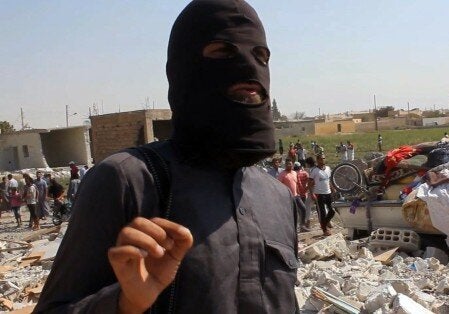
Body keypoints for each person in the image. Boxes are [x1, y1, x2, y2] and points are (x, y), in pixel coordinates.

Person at [35, 1, 297, 312]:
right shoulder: (126, 180)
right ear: (184, 69)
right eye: (222, 51)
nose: (250, 67)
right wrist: (125, 303)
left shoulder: (277, 197)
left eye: (261, 56)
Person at [278, 160, 310, 232]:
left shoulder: (294, 173)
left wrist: (299, 192)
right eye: (287, 164)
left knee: (303, 208)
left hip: (296, 195)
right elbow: (278, 185)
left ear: (292, 165)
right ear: (285, 165)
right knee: (292, 213)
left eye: (290, 164)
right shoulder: (282, 174)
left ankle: (302, 225)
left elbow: (297, 184)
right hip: (288, 197)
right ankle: (293, 229)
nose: (289, 165)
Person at [309, 154, 336, 236]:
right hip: (319, 194)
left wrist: (332, 188)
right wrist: (312, 193)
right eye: (321, 159)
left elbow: (329, 180)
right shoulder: (314, 171)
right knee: (322, 213)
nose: (323, 160)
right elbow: (309, 183)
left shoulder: (328, 169)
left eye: (324, 158)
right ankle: (324, 230)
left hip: (328, 193)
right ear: (317, 160)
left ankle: (325, 222)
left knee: (332, 211)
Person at [294, 161, 311, 230]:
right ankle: (304, 224)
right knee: (304, 209)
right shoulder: (305, 173)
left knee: (299, 210)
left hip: (297, 194)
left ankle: (302, 224)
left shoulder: (293, 173)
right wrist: (306, 189)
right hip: (304, 193)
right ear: (300, 167)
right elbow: (310, 182)